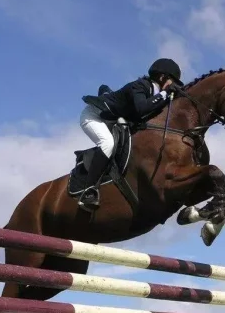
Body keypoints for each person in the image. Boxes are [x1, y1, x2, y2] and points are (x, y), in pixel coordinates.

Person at [78, 58, 183, 206]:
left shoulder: (157, 93)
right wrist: (165, 94)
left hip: (112, 118)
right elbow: (142, 109)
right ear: (162, 77)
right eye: (173, 81)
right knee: (108, 143)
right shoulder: (140, 86)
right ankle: (88, 191)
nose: (174, 85)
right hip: (94, 116)